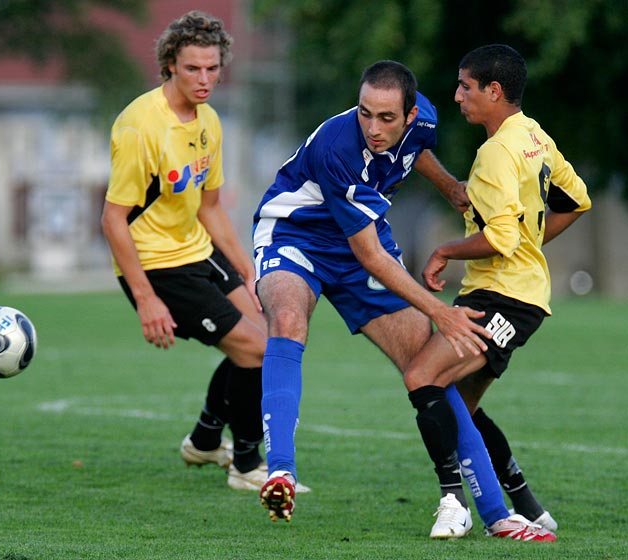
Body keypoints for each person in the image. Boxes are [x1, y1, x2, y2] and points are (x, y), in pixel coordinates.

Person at [252, 60, 549, 538]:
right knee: (288, 319)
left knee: (428, 371)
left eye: (387, 118)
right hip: (296, 236)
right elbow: (370, 256)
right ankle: (280, 470)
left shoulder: (423, 119)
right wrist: (439, 310)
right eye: (365, 114)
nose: (373, 127)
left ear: (411, 114)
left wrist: (451, 185)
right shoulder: (339, 148)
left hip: (359, 241)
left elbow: (416, 152)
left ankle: (497, 515)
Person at [404, 43, 591, 541]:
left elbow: (503, 238)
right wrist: (529, 245)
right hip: (519, 294)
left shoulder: (496, 151)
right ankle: (528, 506)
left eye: (466, 86)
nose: (458, 95)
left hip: (501, 296)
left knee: (422, 376)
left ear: (495, 90)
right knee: (463, 407)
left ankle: (454, 503)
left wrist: (444, 249)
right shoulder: (534, 136)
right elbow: (576, 201)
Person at [101, 10, 272, 491]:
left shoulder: (209, 121)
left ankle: (203, 440)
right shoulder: (139, 127)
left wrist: (248, 271)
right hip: (155, 266)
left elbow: (211, 208)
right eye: (193, 68)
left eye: (213, 68)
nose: (204, 79)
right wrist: (145, 298)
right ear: (170, 64)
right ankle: (244, 465)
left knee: (268, 341)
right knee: (254, 348)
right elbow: (113, 219)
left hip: (198, 251)